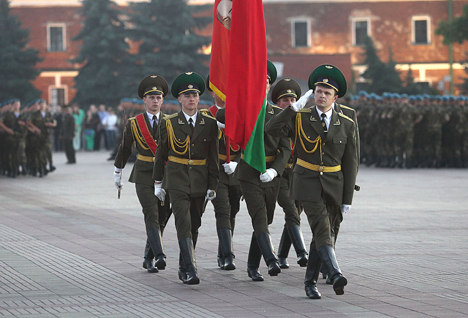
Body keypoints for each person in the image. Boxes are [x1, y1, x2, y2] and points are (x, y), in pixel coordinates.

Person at [266, 64, 358, 299]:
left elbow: (351, 162)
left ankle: (310, 282)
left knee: (324, 234)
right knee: (321, 228)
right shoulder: (300, 117)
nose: (321, 96)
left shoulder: (347, 120)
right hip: (307, 183)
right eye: (318, 91)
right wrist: (292, 109)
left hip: (334, 183)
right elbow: (270, 129)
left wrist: (347, 197)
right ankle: (335, 273)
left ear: (335, 97)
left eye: (327, 93)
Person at [217, 61, 290, 282]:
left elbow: (286, 148)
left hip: (271, 174)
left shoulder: (278, 113)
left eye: (266, 82)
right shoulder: (243, 111)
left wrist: (275, 171)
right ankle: (271, 259)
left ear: (269, 86)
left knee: (265, 219)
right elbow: (222, 117)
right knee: (258, 215)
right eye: (258, 81)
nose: (263, 85)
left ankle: (251, 265)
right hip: (248, 172)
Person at [153, 72, 219, 285]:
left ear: (199, 98)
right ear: (179, 99)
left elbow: (213, 157)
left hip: (200, 180)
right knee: (183, 221)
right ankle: (191, 269)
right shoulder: (169, 123)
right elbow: (161, 154)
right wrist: (157, 183)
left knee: (195, 224)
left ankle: (183, 265)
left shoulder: (209, 123)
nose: (191, 99)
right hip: (177, 179)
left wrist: (213, 184)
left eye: (195, 95)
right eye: (187, 95)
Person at [114, 75, 172, 273]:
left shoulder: (171, 122)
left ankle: (148, 257)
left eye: (158, 98)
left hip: (165, 176)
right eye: (151, 98)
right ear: (144, 100)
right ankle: (160, 255)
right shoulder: (134, 123)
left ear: (162, 100)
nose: (155, 101)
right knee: (151, 213)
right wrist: (117, 171)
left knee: (163, 216)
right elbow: (125, 148)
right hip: (143, 174)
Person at [204, 76, 242, 270]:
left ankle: (222, 250)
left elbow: (248, 142)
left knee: (233, 209)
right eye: (220, 90)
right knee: (223, 210)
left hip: (234, 169)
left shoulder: (239, 114)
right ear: (212, 92)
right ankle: (228, 255)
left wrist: (238, 162)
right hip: (215, 170)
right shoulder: (206, 114)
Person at [270, 78, 308, 269]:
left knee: (295, 214)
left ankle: (282, 255)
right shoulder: (273, 120)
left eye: (292, 100)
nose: (289, 104)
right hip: (280, 175)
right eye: (285, 101)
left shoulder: (301, 120)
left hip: (298, 174)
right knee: (291, 211)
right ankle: (302, 253)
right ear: (277, 103)